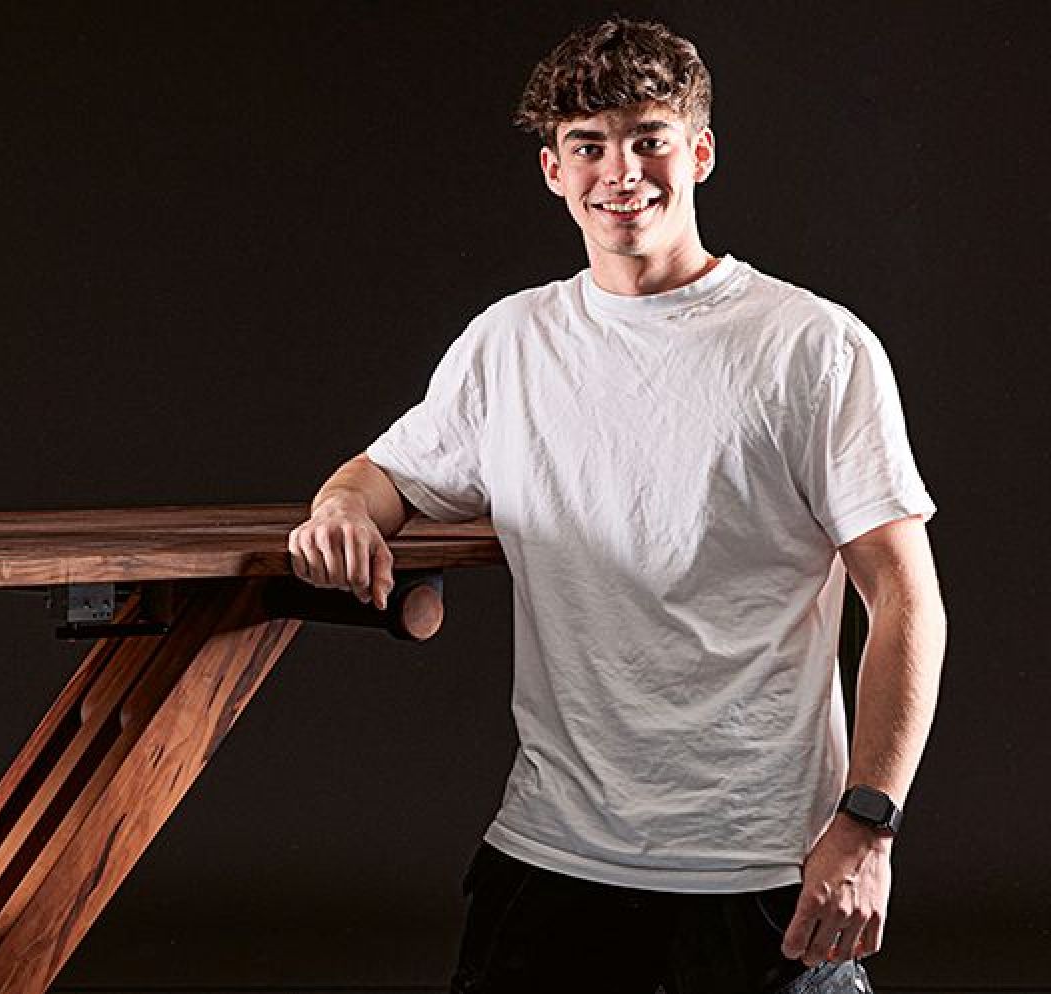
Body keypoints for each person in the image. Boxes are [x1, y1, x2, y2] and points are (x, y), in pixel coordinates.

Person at [286, 17, 945, 993]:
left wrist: (869, 824)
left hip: (759, 871)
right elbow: (377, 476)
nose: (620, 172)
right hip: (552, 858)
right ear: (554, 170)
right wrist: (342, 510)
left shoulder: (812, 347)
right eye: (589, 145)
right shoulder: (509, 343)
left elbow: (904, 598)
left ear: (699, 153)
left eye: (648, 139)